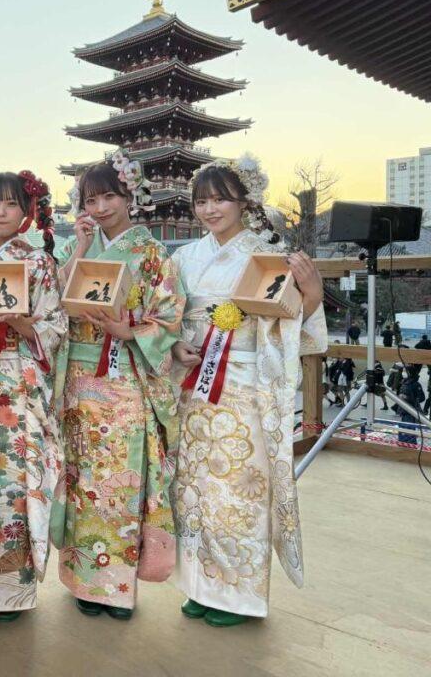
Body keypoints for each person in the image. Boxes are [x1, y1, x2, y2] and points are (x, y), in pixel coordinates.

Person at [171, 158, 327, 628]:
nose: (209, 209)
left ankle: (237, 596)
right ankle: (199, 586)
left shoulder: (267, 255)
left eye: (220, 199)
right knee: (192, 488)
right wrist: (175, 344)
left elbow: (291, 322)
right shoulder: (184, 257)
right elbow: (168, 316)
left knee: (239, 485)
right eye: (201, 201)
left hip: (244, 383)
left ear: (244, 202)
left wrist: (312, 292)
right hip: (194, 384)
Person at [53, 153, 183, 621]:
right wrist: (81, 247)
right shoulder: (77, 247)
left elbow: (169, 314)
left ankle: (118, 587)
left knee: (121, 481)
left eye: (110, 196)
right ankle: (85, 582)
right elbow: (53, 301)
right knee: (82, 478)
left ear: (131, 196)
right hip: (79, 377)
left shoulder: (151, 254)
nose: (102, 207)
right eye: (91, 200)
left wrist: (130, 331)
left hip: (125, 375)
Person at [0, 171, 66, 620]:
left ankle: (12, 593)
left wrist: (23, 324)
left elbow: (55, 325)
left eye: (10, 204)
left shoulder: (39, 262)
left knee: (13, 485)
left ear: (27, 212)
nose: (0, 212)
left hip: (17, 383)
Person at [397, 366, 425, 446]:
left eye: (405, 371)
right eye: (403, 371)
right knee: (403, 429)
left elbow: (422, 398)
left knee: (409, 430)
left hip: (410, 412)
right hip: (403, 411)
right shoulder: (403, 382)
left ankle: (411, 446)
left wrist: (408, 398)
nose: (403, 373)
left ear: (410, 373)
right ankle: (403, 444)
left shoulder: (416, 384)